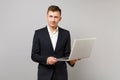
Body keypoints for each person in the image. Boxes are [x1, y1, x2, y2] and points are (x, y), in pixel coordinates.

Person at [31, 5, 79, 80]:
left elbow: (67, 54)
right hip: (44, 75)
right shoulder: (38, 33)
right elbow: (34, 55)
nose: (53, 20)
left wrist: (72, 61)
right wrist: (46, 60)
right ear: (46, 17)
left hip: (61, 75)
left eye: (56, 17)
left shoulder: (66, 33)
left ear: (60, 18)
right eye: (51, 16)